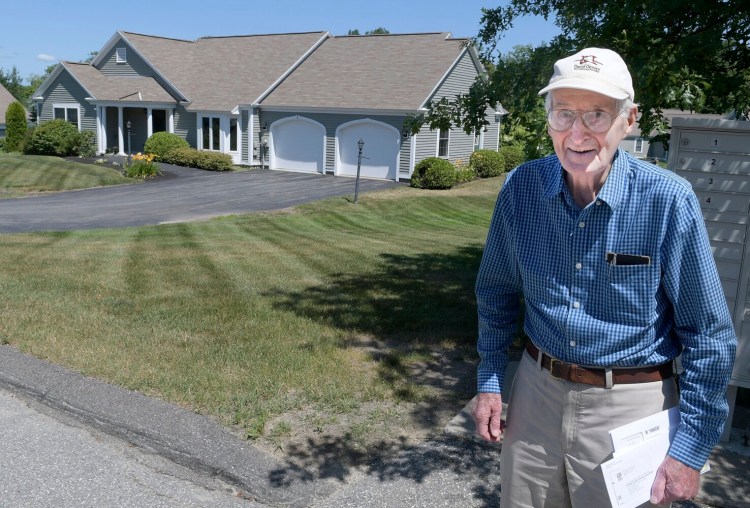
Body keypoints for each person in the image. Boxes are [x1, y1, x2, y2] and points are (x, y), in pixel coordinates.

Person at [472, 47, 737, 507]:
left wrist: (689, 451)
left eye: (597, 115)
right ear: (548, 119)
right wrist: (491, 378)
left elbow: (709, 336)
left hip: (632, 407)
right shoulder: (521, 188)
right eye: (563, 114)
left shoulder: (667, 201)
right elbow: (495, 292)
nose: (577, 133)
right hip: (536, 395)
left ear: (628, 119)